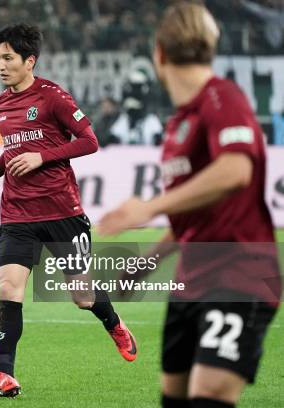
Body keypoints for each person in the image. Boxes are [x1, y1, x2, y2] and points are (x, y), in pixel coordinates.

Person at [98, 3, 281, 408]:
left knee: (208, 398)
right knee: (175, 400)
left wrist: (148, 208)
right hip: (190, 283)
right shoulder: (179, 124)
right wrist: (144, 264)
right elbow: (193, 220)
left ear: (159, 54)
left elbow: (236, 171)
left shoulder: (223, 97)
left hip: (238, 277)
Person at [0, 23, 137, 400]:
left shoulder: (54, 97)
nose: (1, 66)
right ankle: (5, 374)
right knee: (9, 288)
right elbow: (10, 153)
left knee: (82, 297)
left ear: (29, 60)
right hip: (17, 213)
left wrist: (43, 156)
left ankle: (114, 322)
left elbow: (90, 142)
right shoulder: (0, 104)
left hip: (61, 211)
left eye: (8, 58)